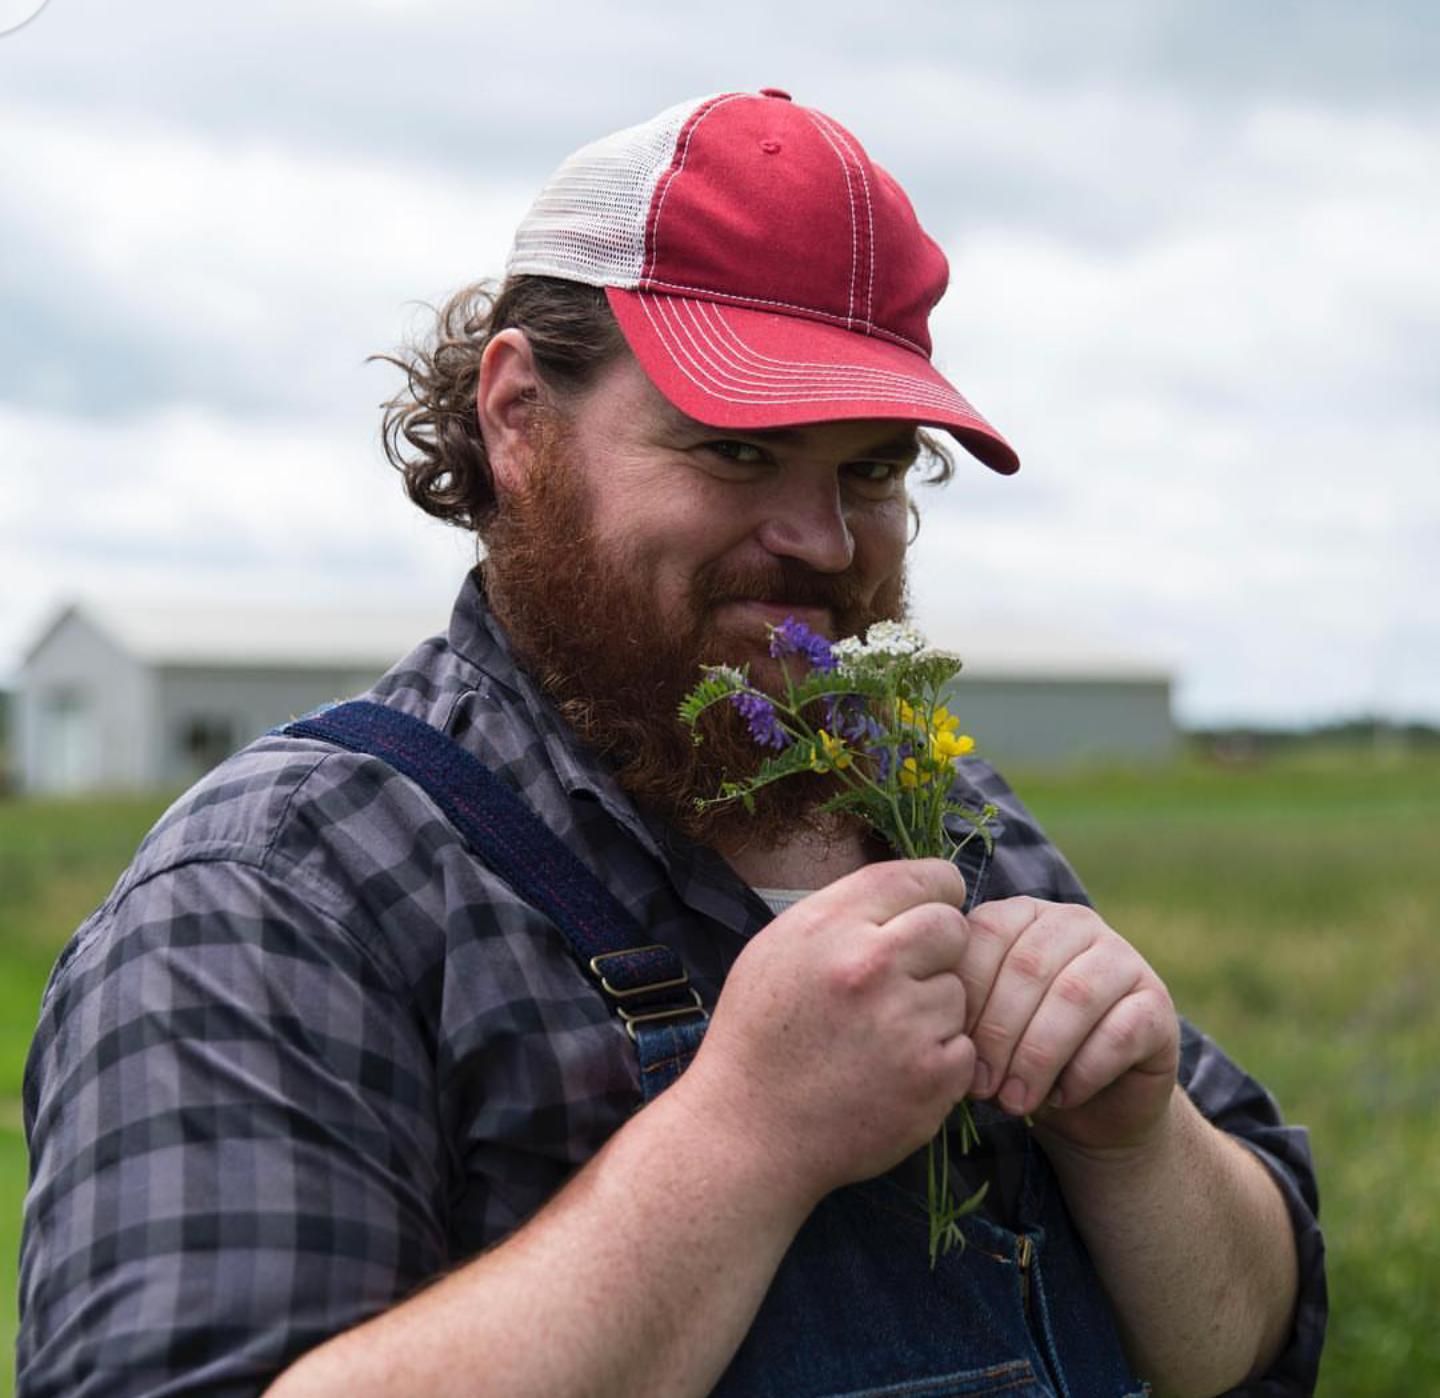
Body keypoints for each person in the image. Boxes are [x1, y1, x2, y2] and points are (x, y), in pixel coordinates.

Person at [18, 90, 1325, 1398]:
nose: (821, 539)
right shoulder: (285, 887)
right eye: (738, 447)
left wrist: (1135, 1137)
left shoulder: (937, 807)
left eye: (871, 468)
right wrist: (743, 1135)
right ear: (518, 415)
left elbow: (1243, 1337)